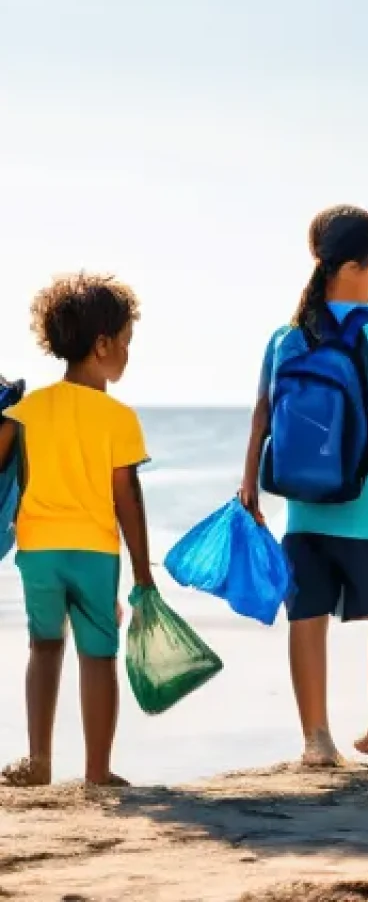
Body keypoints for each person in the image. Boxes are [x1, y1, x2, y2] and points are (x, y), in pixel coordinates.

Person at [240, 205, 368, 770]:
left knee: (307, 619)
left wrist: (249, 485)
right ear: (366, 266)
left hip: (303, 510)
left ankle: (316, 739)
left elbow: (263, 415)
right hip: (364, 513)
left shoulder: (287, 334)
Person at [0, 274, 154, 787]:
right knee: (97, 655)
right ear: (103, 344)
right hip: (93, 552)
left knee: (43, 648)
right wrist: (142, 574)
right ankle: (95, 772)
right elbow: (127, 500)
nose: (127, 354)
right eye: (126, 343)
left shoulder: (24, 411)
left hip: (38, 550)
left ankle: (39, 762)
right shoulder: (117, 418)